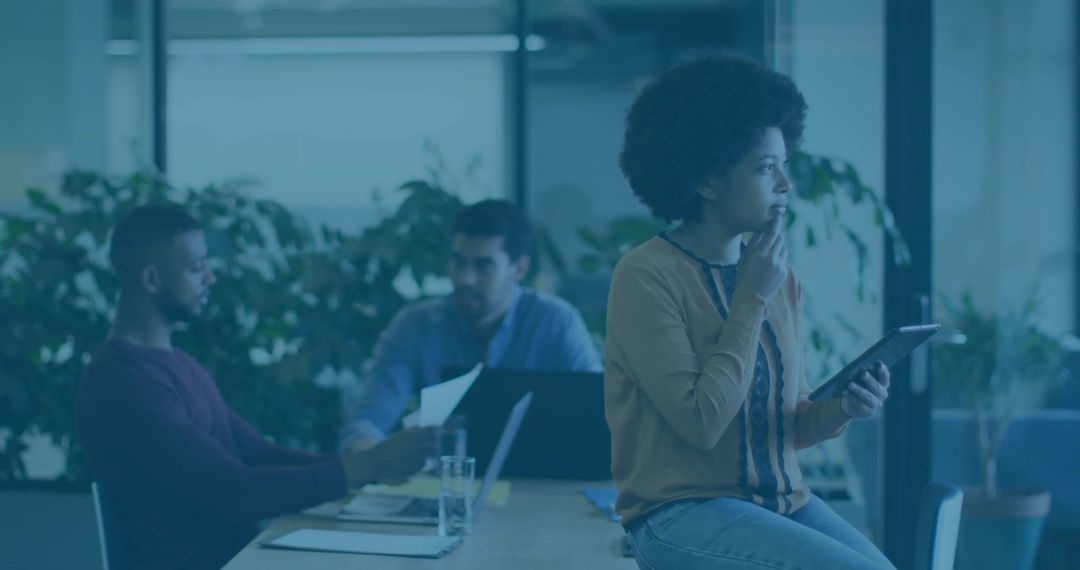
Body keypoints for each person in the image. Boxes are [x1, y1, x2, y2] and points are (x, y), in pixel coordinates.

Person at [605, 56, 897, 569]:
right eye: (765, 168)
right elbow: (701, 424)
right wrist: (750, 300)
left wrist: (845, 409)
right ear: (706, 180)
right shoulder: (645, 274)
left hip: (780, 503)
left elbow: (786, 427)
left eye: (784, 164)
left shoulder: (777, 274)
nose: (785, 183)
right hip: (679, 515)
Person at [77, 204, 435, 570]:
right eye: (196, 267)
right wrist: (366, 467)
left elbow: (257, 454)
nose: (210, 278)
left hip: (244, 557)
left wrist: (369, 467)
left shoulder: (179, 365)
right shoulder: (123, 382)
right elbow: (233, 491)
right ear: (151, 280)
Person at [340, 199, 602, 452]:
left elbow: (597, 420)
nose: (465, 278)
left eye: (483, 266)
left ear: (519, 269)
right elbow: (367, 421)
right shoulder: (415, 326)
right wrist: (372, 458)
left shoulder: (557, 323)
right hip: (444, 484)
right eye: (458, 262)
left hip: (542, 485)